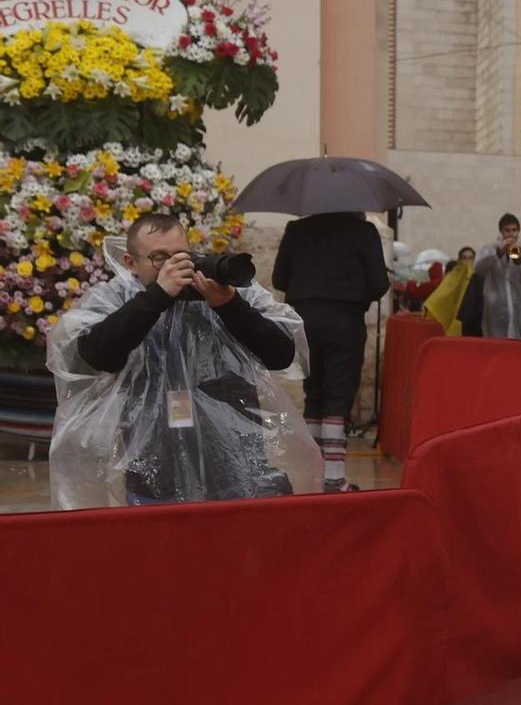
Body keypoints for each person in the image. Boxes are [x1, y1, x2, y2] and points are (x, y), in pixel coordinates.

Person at [47, 213, 321, 508]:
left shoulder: (219, 288)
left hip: (236, 455)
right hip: (152, 457)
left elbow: (281, 354)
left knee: (239, 543)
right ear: (130, 263)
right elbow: (93, 355)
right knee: (164, 546)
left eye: (180, 256)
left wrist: (229, 305)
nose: (173, 267)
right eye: (159, 258)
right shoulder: (117, 297)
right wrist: (156, 297)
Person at [271, 209, 391, 492]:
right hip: (345, 321)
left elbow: (279, 279)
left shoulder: (297, 228)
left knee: (314, 395)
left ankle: (313, 474)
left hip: (306, 320)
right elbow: (379, 285)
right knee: (338, 397)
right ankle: (334, 478)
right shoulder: (363, 231)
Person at [460, 214, 521, 340]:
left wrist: (519, 261)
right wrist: (498, 253)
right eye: (507, 230)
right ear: (501, 231)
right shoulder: (489, 249)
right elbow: (478, 269)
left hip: (519, 314)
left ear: (518, 231)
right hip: (495, 314)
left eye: (514, 230)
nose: (511, 234)